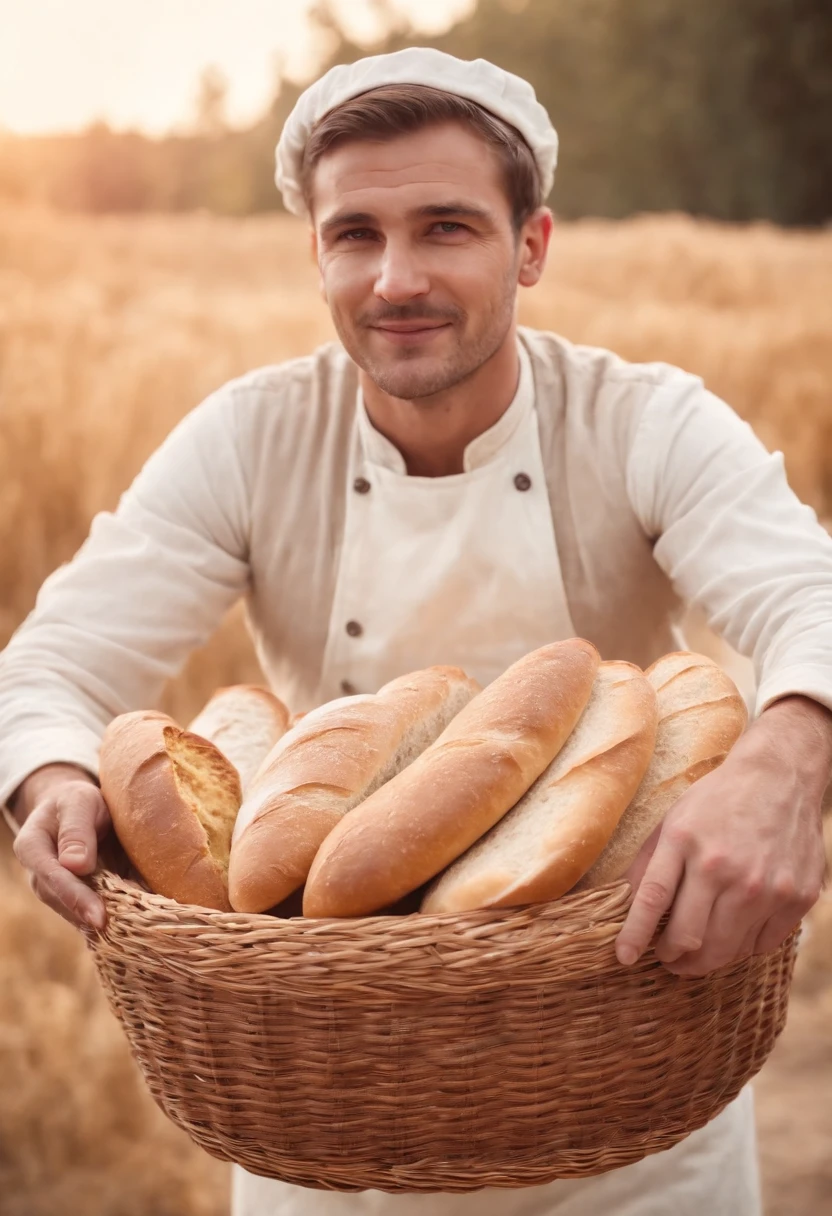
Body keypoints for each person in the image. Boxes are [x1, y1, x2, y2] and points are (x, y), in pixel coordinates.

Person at [2, 46, 831, 1216]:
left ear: (530, 245)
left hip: (635, 1137)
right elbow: (50, 663)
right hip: (325, 1131)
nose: (395, 278)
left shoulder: (645, 422)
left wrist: (792, 755)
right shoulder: (251, 440)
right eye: (356, 235)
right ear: (316, 255)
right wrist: (49, 779)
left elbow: (810, 594)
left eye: (446, 227)